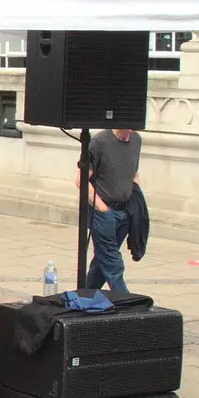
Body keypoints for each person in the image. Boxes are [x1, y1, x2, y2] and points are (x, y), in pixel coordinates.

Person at [80, 126, 143, 294]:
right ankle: (126, 302)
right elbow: (82, 180)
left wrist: (135, 198)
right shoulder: (99, 142)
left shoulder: (137, 140)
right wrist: (103, 210)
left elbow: (133, 172)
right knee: (112, 262)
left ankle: (85, 295)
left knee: (102, 262)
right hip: (102, 212)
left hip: (124, 211)